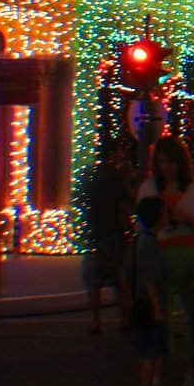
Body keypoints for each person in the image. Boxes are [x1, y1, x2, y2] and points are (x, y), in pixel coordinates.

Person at [137, 135, 194, 386]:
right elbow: (141, 224)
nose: (167, 167)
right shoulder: (149, 188)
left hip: (192, 254)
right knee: (162, 320)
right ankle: (159, 378)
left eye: (170, 161)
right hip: (163, 256)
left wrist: (189, 220)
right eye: (161, 162)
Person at [81, 137, 135, 334]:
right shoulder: (117, 175)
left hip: (94, 231)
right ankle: (124, 319)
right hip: (113, 231)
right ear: (114, 153)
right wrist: (127, 227)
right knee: (119, 277)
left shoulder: (91, 174)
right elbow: (125, 202)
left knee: (93, 280)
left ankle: (96, 321)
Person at [130, 197, 173, 386]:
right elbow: (149, 278)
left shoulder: (145, 240)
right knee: (150, 351)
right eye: (165, 213)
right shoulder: (149, 244)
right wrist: (157, 307)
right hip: (149, 305)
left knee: (152, 350)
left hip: (147, 303)